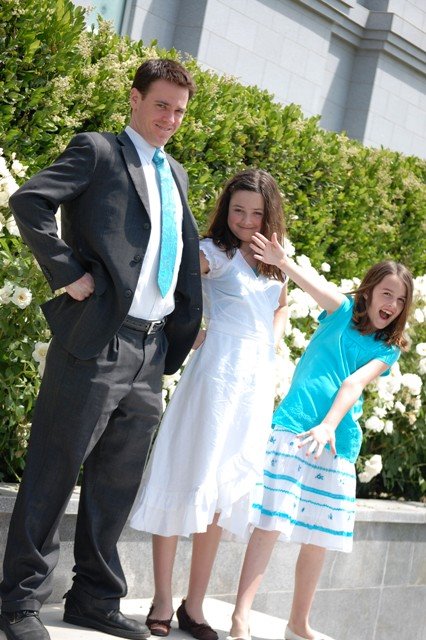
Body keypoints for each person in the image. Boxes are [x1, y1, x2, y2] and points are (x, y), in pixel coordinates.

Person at [0, 58, 202, 640]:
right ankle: (18, 602)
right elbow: (30, 201)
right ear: (134, 98)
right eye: (161, 105)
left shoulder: (176, 173)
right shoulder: (98, 151)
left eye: (179, 111)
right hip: (97, 339)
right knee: (54, 470)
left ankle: (93, 598)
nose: (170, 119)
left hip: (151, 349)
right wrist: (67, 272)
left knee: (117, 482)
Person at [228, 233, 413, 640]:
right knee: (270, 524)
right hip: (295, 428)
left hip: (337, 442)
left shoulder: (389, 349)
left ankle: (298, 622)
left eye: (400, 300)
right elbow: (312, 285)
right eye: (387, 294)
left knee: (318, 538)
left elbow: (353, 384)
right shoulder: (341, 311)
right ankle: (240, 617)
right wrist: (282, 260)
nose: (392, 305)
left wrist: (329, 425)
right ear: (369, 293)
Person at [129, 169, 289, 640]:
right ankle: (162, 598)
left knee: (221, 493)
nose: (246, 220)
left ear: (269, 214)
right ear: (226, 209)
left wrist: (271, 343)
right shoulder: (212, 252)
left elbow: (280, 306)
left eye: (256, 212)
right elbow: (169, 282)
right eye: (238, 210)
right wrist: (187, 327)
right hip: (214, 381)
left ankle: (194, 606)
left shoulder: (276, 257)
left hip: (253, 389)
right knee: (182, 478)